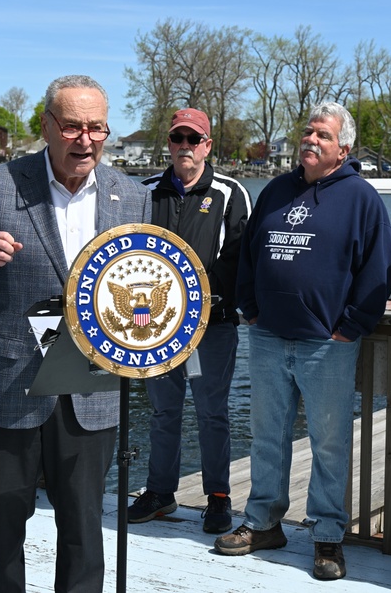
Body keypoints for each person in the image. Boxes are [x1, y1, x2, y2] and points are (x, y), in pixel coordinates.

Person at [0, 75, 151, 593]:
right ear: (47, 127)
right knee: (4, 528)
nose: (86, 140)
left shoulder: (133, 196)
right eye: (74, 126)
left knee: (84, 529)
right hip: (8, 387)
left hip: (92, 387)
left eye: (97, 127)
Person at [214, 101, 391, 581]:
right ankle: (263, 522)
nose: (311, 141)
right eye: (308, 132)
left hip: (327, 343)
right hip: (270, 336)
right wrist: (248, 307)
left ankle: (328, 536)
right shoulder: (276, 189)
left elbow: (379, 270)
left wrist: (350, 325)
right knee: (267, 436)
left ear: (344, 148)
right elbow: (249, 254)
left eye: (323, 136)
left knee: (329, 443)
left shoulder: (362, 199)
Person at [131, 108, 250, 533]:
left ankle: (218, 496)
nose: (185, 146)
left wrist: (200, 298)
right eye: (177, 138)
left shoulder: (230, 192)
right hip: (156, 326)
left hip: (212, 325)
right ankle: (160, 491)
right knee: (163, 412)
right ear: (169, 144)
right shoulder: (144, 191)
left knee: (212, 412)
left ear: (208, 145)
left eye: (193, 139)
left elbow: (239, 257)